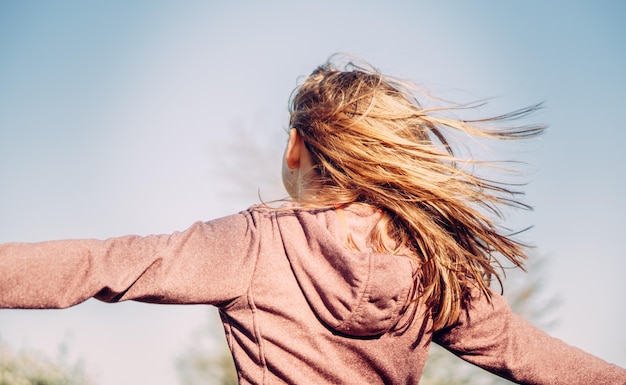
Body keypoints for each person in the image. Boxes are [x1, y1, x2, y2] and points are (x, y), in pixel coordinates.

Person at [1, 55, 625, 385]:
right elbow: (526, 353)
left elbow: (102, 263)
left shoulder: (256, 244)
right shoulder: (437, 268)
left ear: (296, 147)